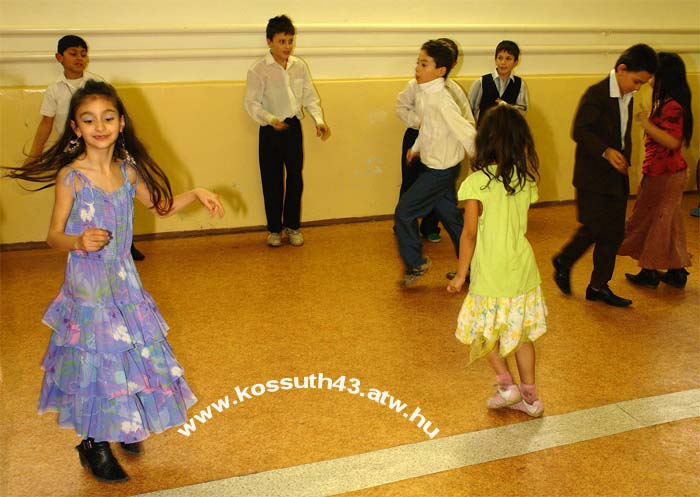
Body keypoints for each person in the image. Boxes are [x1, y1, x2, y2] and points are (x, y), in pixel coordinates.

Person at [5, 80, 225, 483]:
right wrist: (78, 241)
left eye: (107, 118)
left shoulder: (128, 171)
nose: (100, 126)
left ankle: (123, 420)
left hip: (124, 280)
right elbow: (52, 235)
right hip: (88, 286)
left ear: (121, 123)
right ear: (76, 128)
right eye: (89, 120)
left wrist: (195, 193)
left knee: (130, 351)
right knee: (97, 359)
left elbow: (161, 207)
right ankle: (94, 443)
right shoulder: (72, 177)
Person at [447, 103, 547, 417]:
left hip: (490, 273)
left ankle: (507, 386)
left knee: (482, 332)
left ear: (484, 140)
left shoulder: (476, 183)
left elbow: (469, 234)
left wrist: (460, 274)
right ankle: (530, 397)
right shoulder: (524, 181)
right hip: (522, 271)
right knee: (521, 335)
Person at [552, 44, 658, 307]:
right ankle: (564, 260)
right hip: (591, 176)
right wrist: (606, 151)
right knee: (594, 227)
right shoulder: (597, 94)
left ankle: (598, 286)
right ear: (621, 69)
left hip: (616, 177)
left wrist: (625, 160)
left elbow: (622, 134)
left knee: (613, 234)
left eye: (642, 83)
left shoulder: (627, 95)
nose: (638, 88)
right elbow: (580, 130)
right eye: (636, 81)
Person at [27, 35, 147, 261]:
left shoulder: (96, 84)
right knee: (80, 200)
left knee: (118, 195)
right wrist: (35, 153)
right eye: (73, 54)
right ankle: (83, 241)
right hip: (72, 150)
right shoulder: (54, 89)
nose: (79, 58)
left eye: (83, 54)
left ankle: (124, 242)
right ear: (59, 58)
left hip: (102, 151)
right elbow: (46, 123)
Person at [244, 14, 330, 248]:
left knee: (295, 179)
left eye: (290, 41)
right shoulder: (258, 69)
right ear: (269, 41)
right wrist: (270, 119)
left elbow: (310, 96)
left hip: (292, 129)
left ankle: (292, 227)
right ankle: (274, 230)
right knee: (271, 180)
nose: (287, 46)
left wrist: (318, 120)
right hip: (270, 131)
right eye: (282, 41)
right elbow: (251, 104)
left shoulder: (298, 66)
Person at [395, 40, 476, 288]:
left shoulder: (442, 99)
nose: (417, 68)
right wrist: (416, 148)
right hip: (437, 167)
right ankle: (473, 269)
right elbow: (427, 128)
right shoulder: (424, 94)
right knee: (452, 219)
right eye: (417, 63)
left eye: (424, 64)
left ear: (440, 70)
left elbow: (466, 131)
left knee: (404, 212)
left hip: (441, 171)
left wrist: (482, 160)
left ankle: (416, 263)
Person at [619, 52, 693, 289]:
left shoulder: (672, 106)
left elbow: (672, 141)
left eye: (653, 73)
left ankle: (650, 270)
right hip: (661, 172)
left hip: (666, 174)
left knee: (656, 221)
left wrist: (645, 123)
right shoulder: (665, 102)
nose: (649, 77)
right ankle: (676, 270)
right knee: (666, 221)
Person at [468, 40, 528, 125]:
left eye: (508, 58)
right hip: (485, 131)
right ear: (495, 60)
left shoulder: (520, 84)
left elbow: (522, 112)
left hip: (509, 131)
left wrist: (506, 107)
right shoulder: (481, 82)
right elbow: (469, 111)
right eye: (500, 58)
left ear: (516, 62)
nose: (503, 62)